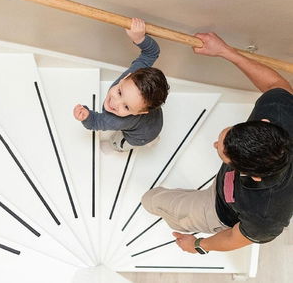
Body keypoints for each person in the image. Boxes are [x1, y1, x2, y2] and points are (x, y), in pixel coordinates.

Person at [141, 32, 293, 254]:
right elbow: (274, 84)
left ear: (255, 176)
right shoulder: (281, 114)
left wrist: (197, 245)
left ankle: (174, 216)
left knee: (150, 200)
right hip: (228, 188)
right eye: (225, 137)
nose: (215, 145)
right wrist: (225, 51)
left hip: (219, 210)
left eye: (223, 153)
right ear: (264, 122)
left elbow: (234, 237)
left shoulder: (265, 215)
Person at [73, 18, 169, 152]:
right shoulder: (135, 76)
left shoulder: (116, 120)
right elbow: (151, 53)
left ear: (140, 112)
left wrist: (87, 117)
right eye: (119, 92)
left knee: (120, 143)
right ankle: (153, 138)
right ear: (127, 76)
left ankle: (118, 146)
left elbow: (96, 122)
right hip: (155, 121)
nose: (115, 103)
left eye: (126, 107)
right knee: (149, 131)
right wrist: (139, 38)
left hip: (141, 136)